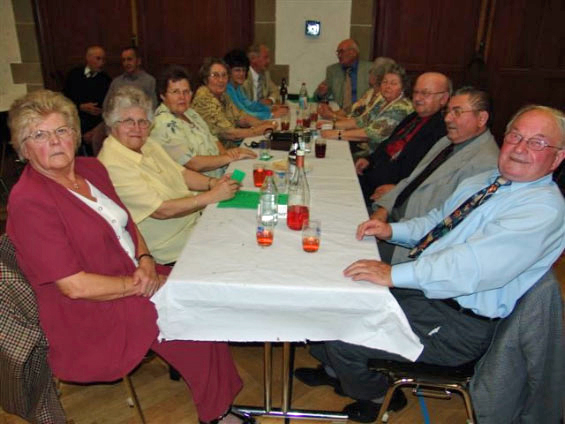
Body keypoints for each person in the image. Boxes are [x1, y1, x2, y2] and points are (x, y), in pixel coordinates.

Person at [298, 105, 565, 422]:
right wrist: (392, 231)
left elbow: (468, 267)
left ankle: (379, 397)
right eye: (515, 136)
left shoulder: (542, 210)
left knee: (344, 339)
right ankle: (338, 372)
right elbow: (439, 223)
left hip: (456, 324)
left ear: (557, 158)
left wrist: (393, 274)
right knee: (338, 295)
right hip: (428, 295)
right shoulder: (489, 181)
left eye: (537, 142)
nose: (520, 148)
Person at [6, 89, 244, 423]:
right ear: (23, 148)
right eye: (39, 135)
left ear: (75, 134)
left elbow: (128, 222)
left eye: (61, 130)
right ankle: (217, 413)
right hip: (89, 308)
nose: (55, 141)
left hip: (131, 273)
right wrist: (140, 285)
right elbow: (74, 286)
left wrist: (145, 260)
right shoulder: (29, 201)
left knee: (202, 296)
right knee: (191, 320)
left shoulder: (92, 169)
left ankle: (220, 402)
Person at [98, 86, 240, 265]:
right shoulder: (113, 163)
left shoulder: (148, 144)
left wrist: (213, 183)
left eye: (143, 122)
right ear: (113, 124)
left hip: (195, 225)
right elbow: (160, 210)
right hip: (171, 249)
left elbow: (182, 173)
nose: (137, 128)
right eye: (128, 121)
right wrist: (211, 196)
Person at [372, 87, 500, 264]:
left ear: (482, 118)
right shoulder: (447, 141)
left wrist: (390, 230)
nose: (447, 118)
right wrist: (383, 210)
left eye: (457, 112)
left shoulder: (486, 164)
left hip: (412, 245)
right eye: (447, 111)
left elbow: (449, 225)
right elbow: (411, 181)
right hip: (392, 220)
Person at [356, 72, 451, 205]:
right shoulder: (413, 117)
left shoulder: (443, 129)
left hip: (392, 192)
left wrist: (399, 189)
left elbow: (429, 171)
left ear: (444, 98)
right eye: (416, 92)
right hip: (374, 174)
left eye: (425, 93)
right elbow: (389, 143)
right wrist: (369, 159)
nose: (417, 98)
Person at [151, 65, 257, 179]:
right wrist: (229, 158)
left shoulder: (190, 113)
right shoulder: (163, 124)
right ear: (163, 95)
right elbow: (193, 163)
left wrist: (227, 153)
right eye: (175, 92)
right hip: (201, 185)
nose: (182, 97)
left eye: (186, 92)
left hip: (221, 172)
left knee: (258, 169)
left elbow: (213, 139)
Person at [321, 64, 414, 157]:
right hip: (370, 149)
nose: (387, 86)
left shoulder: (401, 107)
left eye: (393, 83)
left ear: (403, 87)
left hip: (381, 156)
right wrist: (331, 125)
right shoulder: (383, 101)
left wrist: (337, 134)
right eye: (385, 82)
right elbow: (361, 122)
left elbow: (372, 134)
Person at [192, 57, 276, 146]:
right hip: (214, 150)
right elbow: (229, 133)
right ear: (205, 79)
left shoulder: (223, 95)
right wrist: (258, 130)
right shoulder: (204, 97)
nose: (221, 80)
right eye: (215, 75)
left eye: (224, 75)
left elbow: (240, 117)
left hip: (229, 147)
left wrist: (262, 124)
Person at [63, 45, 111, 155]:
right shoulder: (74, 75)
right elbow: (65, 99)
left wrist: (95, 130)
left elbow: (107, 106)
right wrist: (80, 106)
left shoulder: (105, 79)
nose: (101, 63)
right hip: (76, 119)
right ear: (88, 58)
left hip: (96, 123)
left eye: (103, 59)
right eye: (98, 59)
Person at [317, 57, 396, 122]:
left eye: (371, 71)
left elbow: (360, 124)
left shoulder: (382, 98)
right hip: (347, 126)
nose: (369, 73)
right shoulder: (370, 92)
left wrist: (333, 116)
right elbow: (352, 109)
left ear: (377, 77)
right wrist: (332, 112)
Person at [223, 49, 287, 119]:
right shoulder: (227, 89)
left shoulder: (237, 88)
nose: (241, 74)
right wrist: (271, 115)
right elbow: (244, 113)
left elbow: (250, 105)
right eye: (237, 70)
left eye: (244, 70)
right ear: (228, 72)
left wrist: (270, 108)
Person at [314, 39, 372, 110]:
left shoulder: (369, 69)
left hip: (363, 111)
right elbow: (317, 97)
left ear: (353, 53)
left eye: (341, 51)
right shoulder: (333, 70)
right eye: (338, 52)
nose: (339, 55)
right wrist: (321, 93)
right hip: (340, 111)